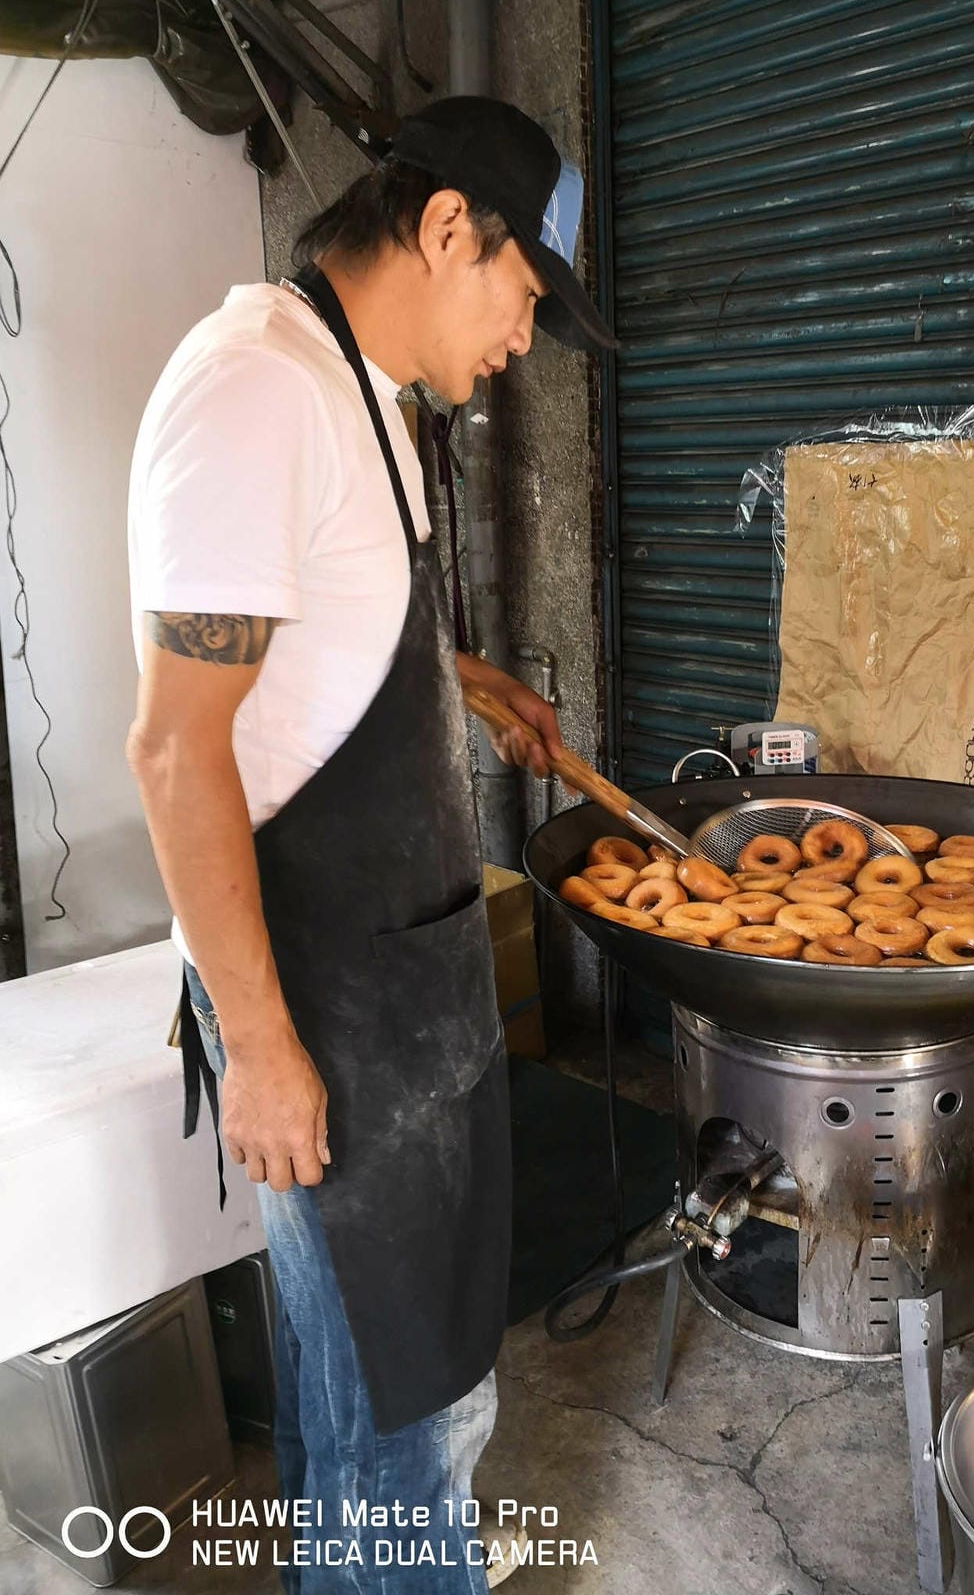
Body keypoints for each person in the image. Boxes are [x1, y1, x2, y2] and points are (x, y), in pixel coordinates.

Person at [125, 95, 616, 1592]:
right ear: (451, 227)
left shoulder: (370, 397)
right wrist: (264, 1048)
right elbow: (175, 746)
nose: (525, 340)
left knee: (421, 1397)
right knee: (392, 1437)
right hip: (324, 1006)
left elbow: (314, 631)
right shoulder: (256, 388)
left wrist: (459, 684)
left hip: (410, 995)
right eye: (527, 297)